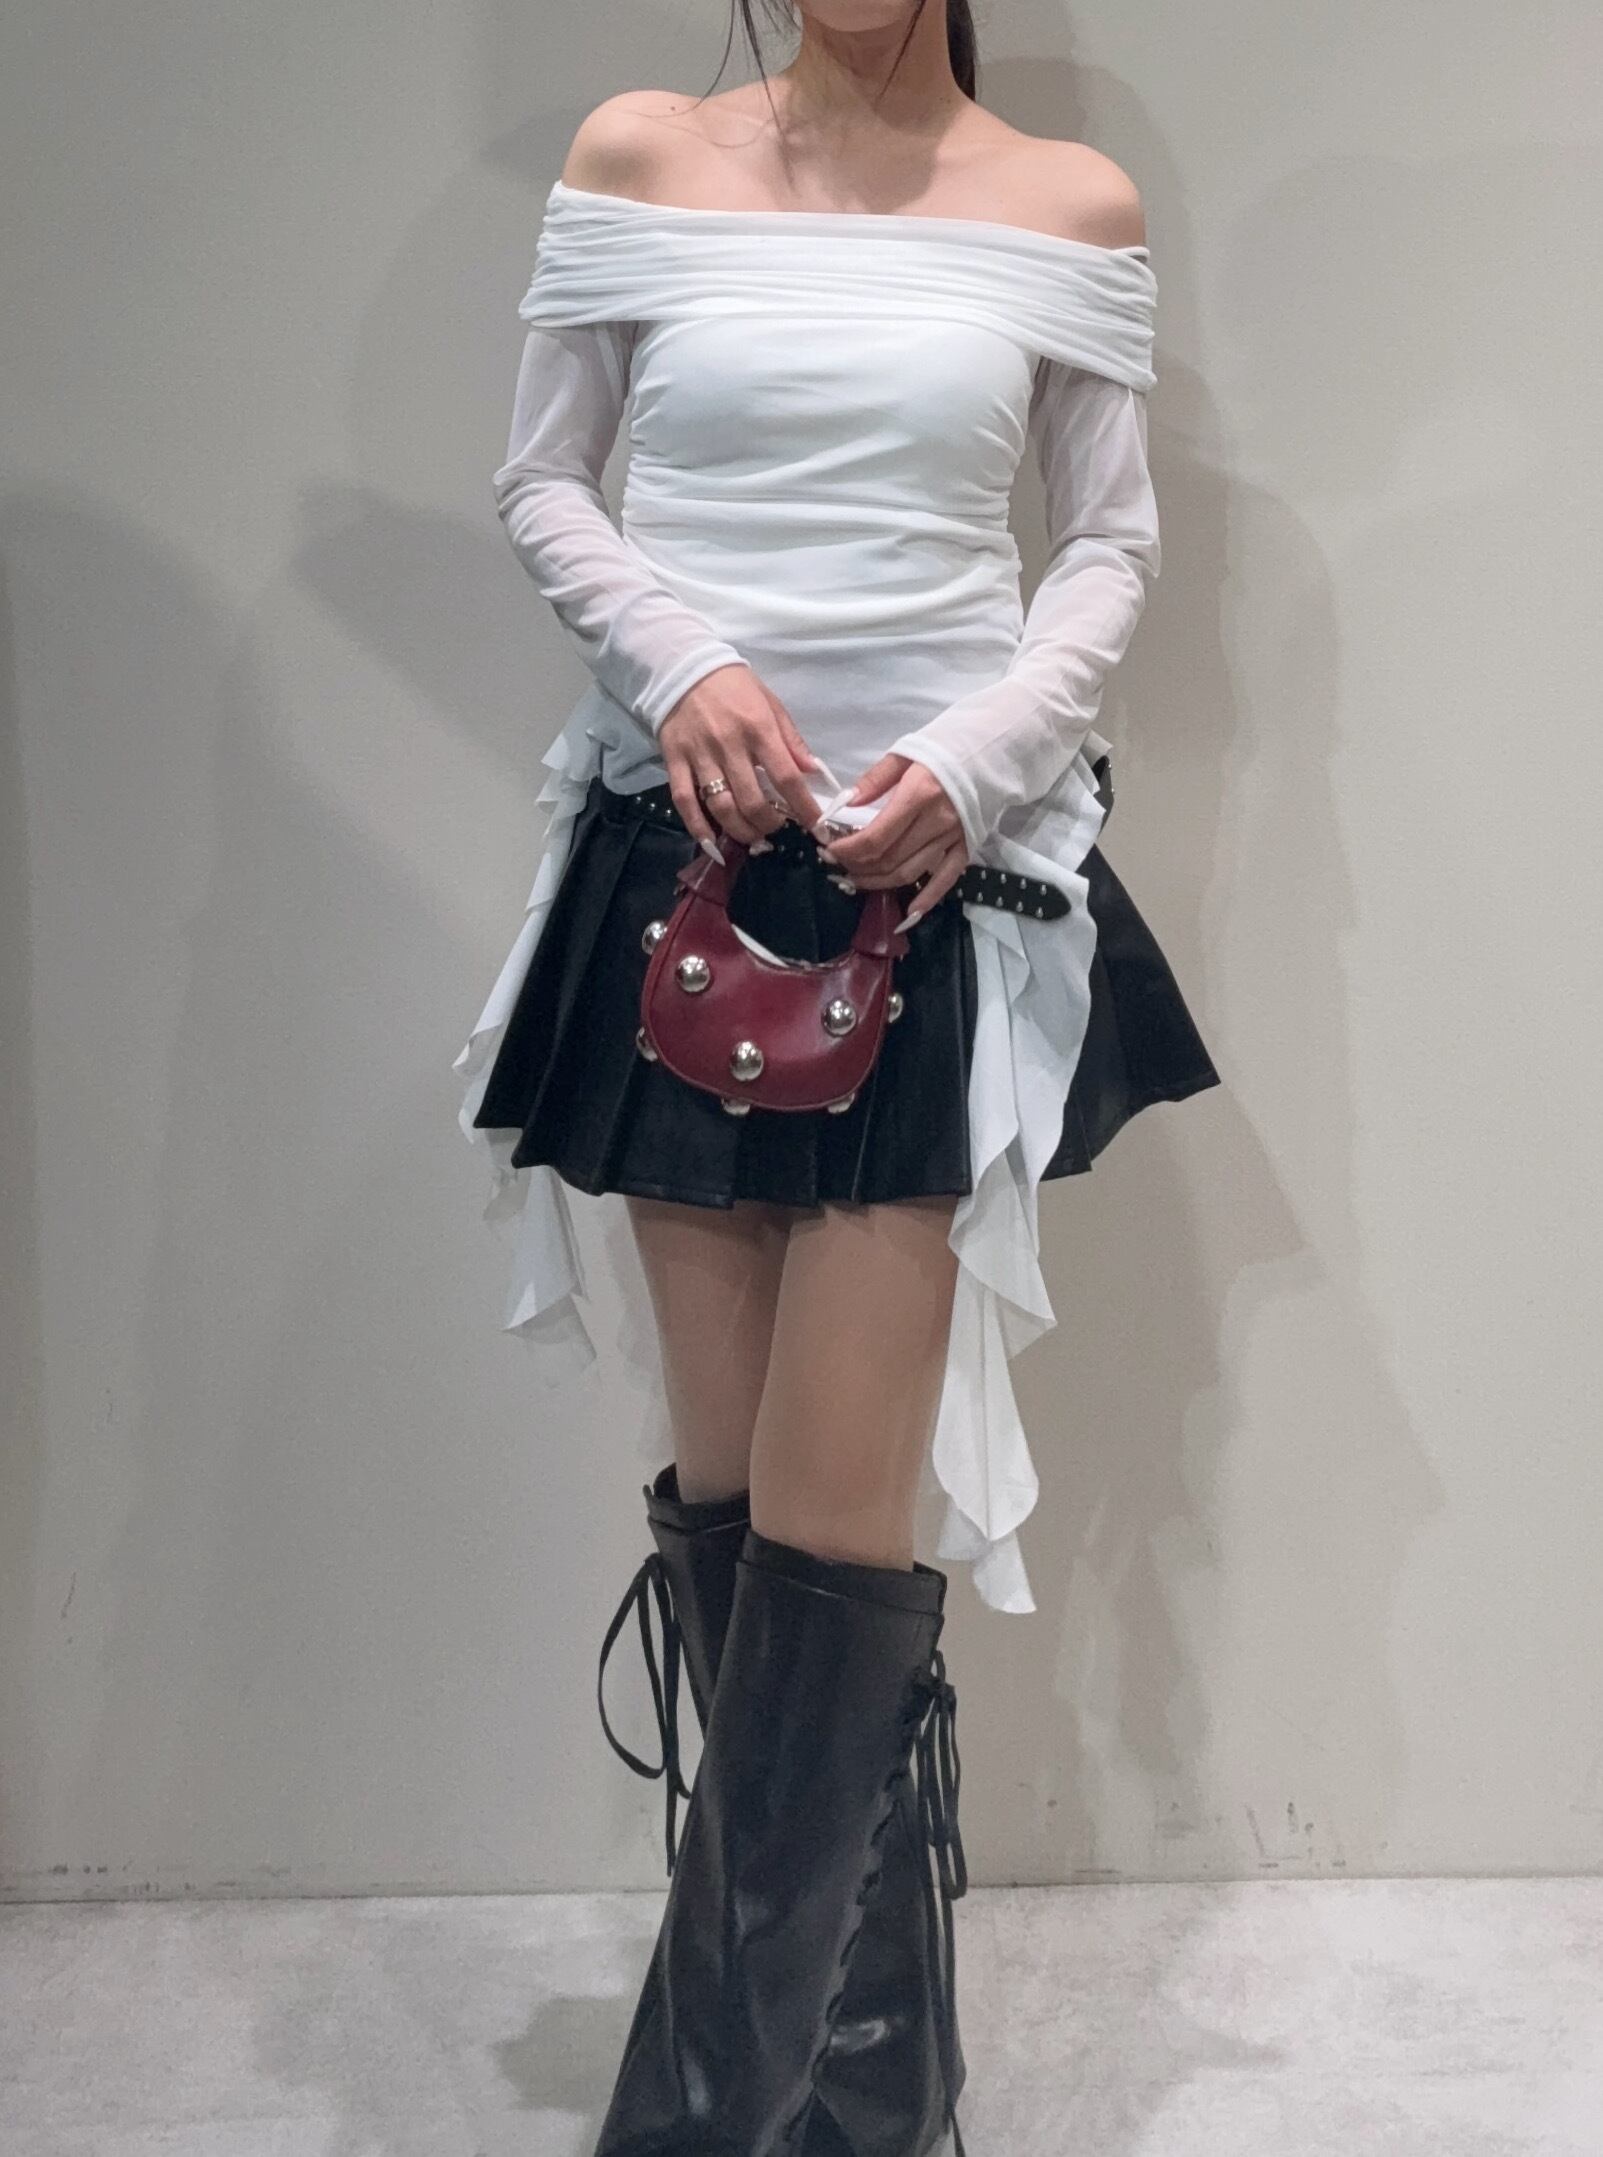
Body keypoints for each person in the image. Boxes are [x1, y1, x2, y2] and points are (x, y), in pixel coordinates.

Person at [453, 6, 1221, 2148]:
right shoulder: (639, 154)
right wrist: (682, 659)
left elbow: (1106, 546)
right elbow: (542, 477)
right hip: (676, 887)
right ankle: (876, 2093)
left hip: (931, 896)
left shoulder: (1063, 201)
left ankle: (697, 2126)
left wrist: (976, 760)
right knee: (739, 1534)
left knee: (825, 1542)